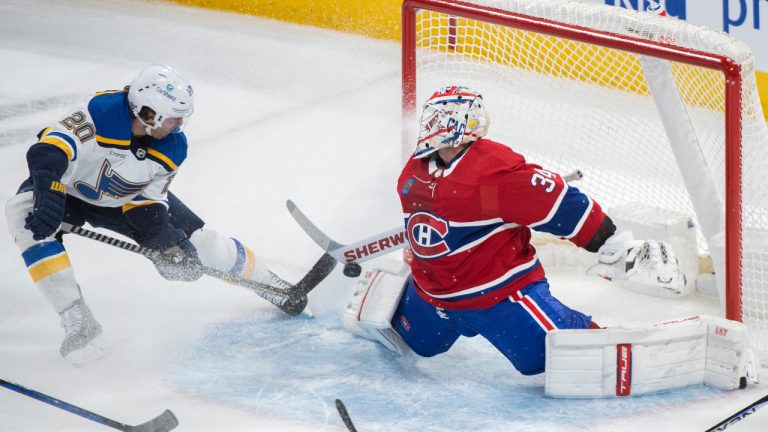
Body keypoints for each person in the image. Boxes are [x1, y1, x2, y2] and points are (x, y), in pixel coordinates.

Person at [342, 85, 756, 396]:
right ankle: (702, 348)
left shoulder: (453, 173)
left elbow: (553, 207)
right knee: (424, 345)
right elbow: (557, 206)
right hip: (466, 299)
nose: (426, 126)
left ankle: (657, 345)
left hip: (471, 298)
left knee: (538, 359)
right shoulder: (452, 173)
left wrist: (609, 245)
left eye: (433, 119)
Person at [5, 65, 294, 360]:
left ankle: (272, 283)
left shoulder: (174, 146)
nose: (179, 122)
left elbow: (147, 203)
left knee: (200, 243)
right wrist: (51, 189)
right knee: (23, 216)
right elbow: (48, 150)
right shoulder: (102, 111)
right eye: (172, 116)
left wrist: (163, 242)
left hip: (125, 199)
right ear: (147, 113)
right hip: (67, 191)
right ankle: (76, 317)